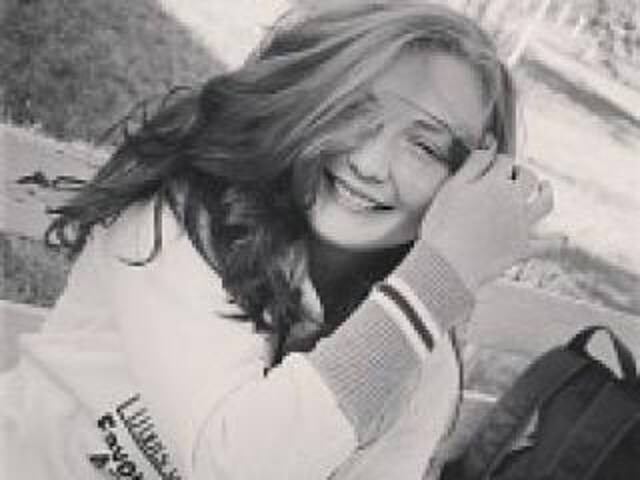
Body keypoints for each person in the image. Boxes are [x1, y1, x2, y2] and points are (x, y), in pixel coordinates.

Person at [0, 2, 559, 479]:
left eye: (426, 147)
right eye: (353, 109)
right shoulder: (188, 217)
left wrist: (428, 294)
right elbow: (237, 464)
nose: (368, 164)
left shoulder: (419, 358)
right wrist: (438, 279)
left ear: (465, 189)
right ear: (308, 98)